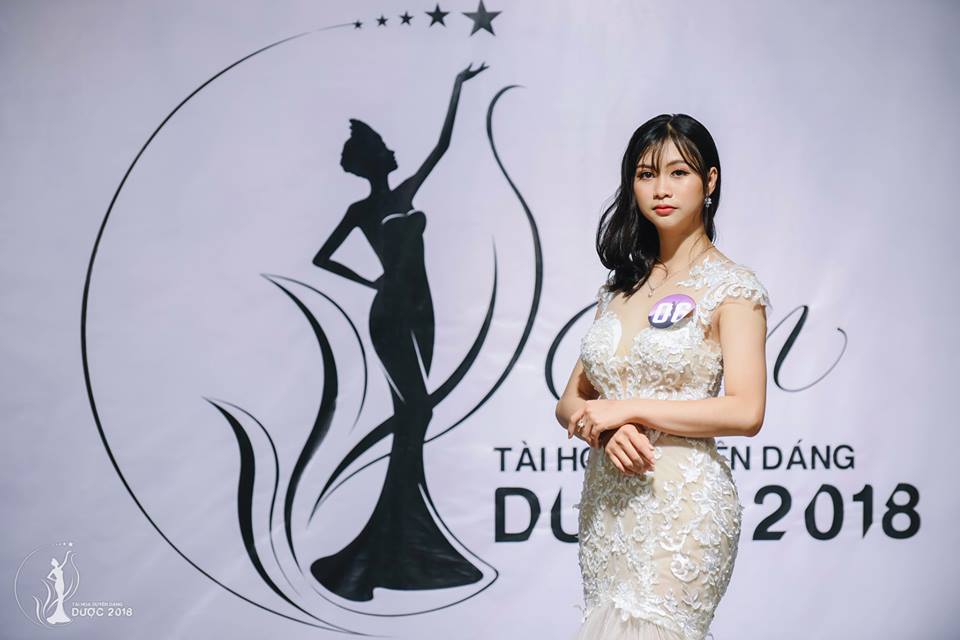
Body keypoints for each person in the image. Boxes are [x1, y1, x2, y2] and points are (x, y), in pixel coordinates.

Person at [555, 113, 772, 640]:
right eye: (646, 174)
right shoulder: (619, 288)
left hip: (680, 504)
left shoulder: (733, 288)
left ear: (710, 181)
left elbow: (746, 411)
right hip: (607, 503)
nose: (661, 189)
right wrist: (605, 431)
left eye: (679, 172)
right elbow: (569, 402)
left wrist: (627, 409)